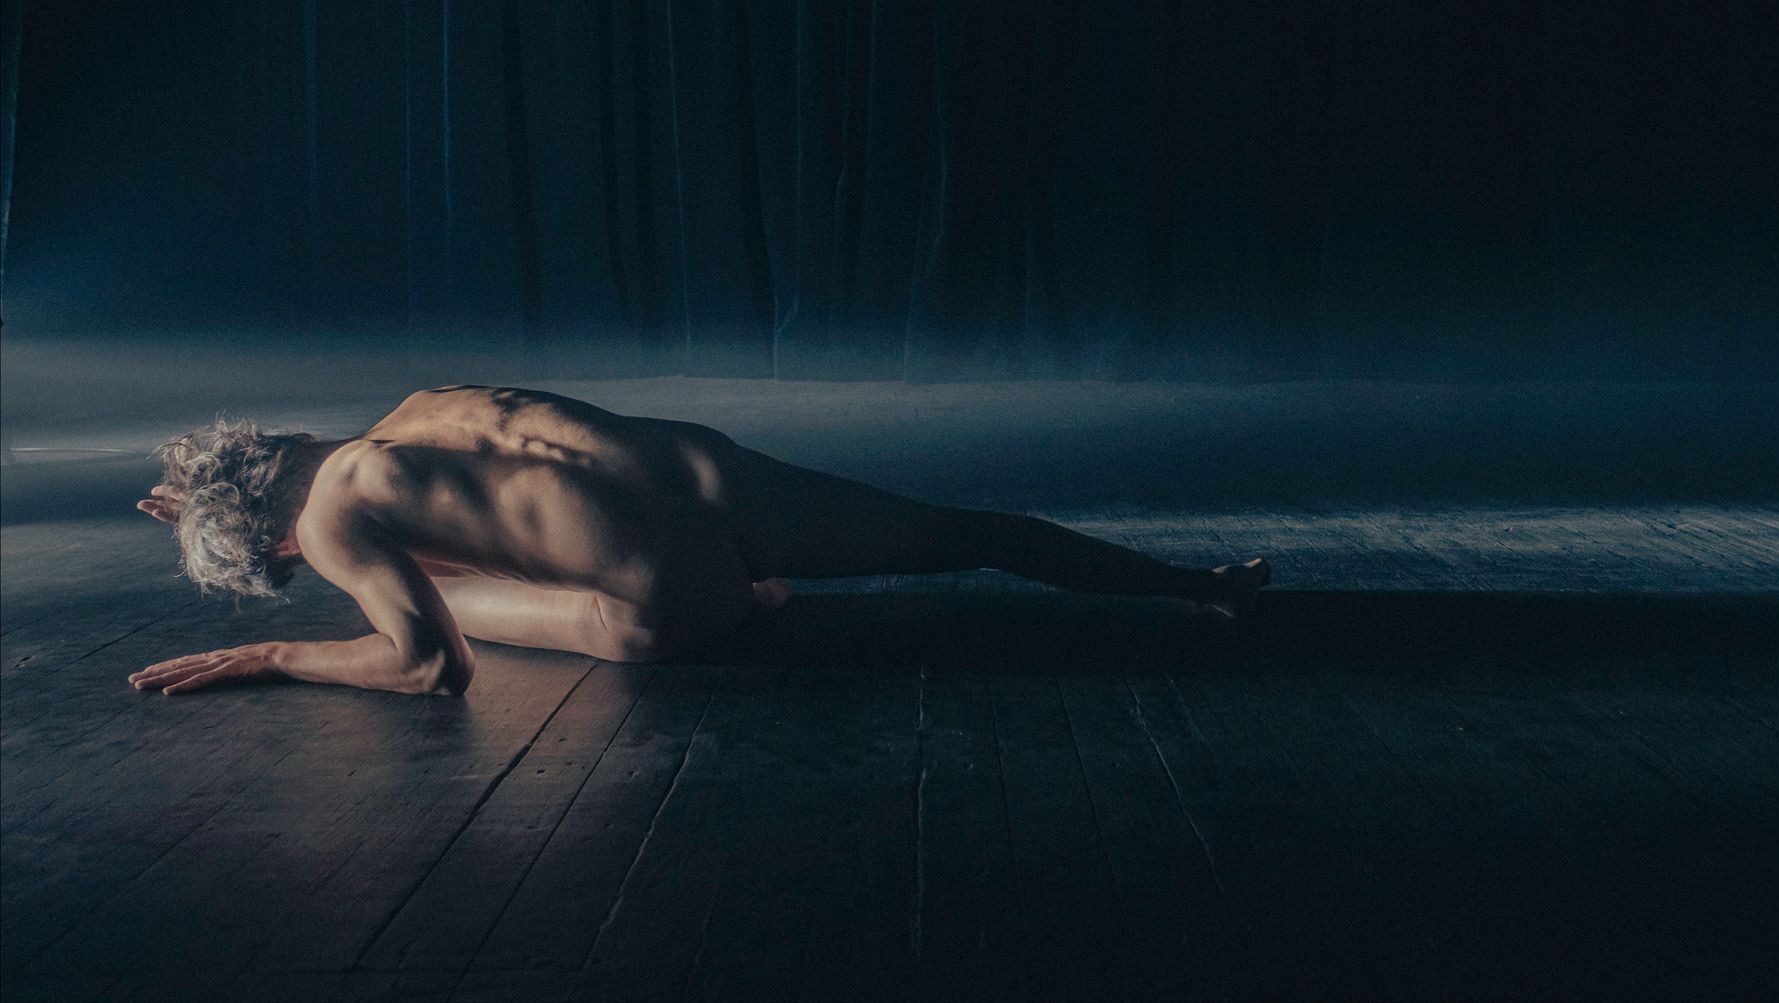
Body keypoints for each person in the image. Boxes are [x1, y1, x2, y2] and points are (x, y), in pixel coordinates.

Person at [126, 385, 1270, 697]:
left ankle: (750, 607)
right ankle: (1199, 586)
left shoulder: (331, 523)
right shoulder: (419, 409)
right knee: (959, 534)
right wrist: (222, 505)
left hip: (671, 592)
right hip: (713, 479)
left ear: (274, 545)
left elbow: (433, 669)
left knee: (437, 605)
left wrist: (279, 652)